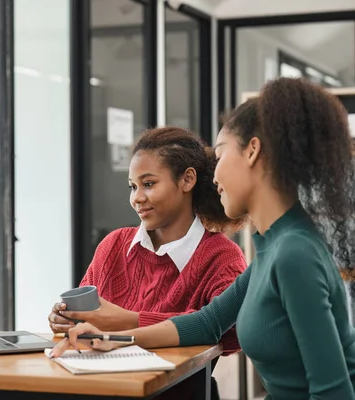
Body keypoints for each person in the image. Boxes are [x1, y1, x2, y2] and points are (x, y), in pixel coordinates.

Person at [51, 77, 355, 400]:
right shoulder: (275, 245)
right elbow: (207, 323)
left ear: (252, 151)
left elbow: (333, 393)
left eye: (221, 156)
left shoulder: (294, 252)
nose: (215, 175)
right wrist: (109, 340)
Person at [48, 126, 249, 356]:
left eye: (149, 184)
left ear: (187, 180)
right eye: (133, 187)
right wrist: (67, 319)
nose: (137, 198)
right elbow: (88, 324)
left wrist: (127, 321)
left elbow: (229, 333)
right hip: (102, 383)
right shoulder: (113, 245)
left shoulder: (221, 256)